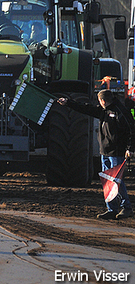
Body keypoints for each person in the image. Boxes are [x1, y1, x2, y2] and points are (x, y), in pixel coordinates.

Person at [58, 89, 133, 220]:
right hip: (105, 152)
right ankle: (112, 209)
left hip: (117, 152)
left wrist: (130, 148)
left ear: (103, 101)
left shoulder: (121, 112)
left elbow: (132, 130)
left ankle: (126, 208)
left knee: (116, 181)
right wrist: (68, 103)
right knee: (108, 181)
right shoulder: (103, 110)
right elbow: (86, 109)